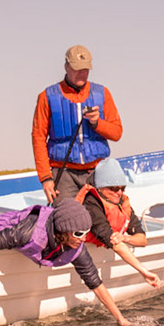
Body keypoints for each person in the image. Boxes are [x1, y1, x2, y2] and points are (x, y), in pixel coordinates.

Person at [0, 200, 157, 326]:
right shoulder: (26, 233)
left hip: (43, 241)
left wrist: (121, 319)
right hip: (6, 228)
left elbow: (95, 283)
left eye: (86, 233)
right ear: (63, 230)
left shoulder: (75, 245)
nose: (83, 239)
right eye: (78, 234)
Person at [31, 45, 121, 219]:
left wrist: (97, 123)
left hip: (97, 172)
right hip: (63, 174)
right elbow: (38, 138)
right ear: (66, 67)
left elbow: (117, 133)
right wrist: (45, 178)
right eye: (77, 69)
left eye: (85, 69)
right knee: (66, 222)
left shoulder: (103, 93)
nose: (82, 73)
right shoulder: (46, 96)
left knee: (104, 221)